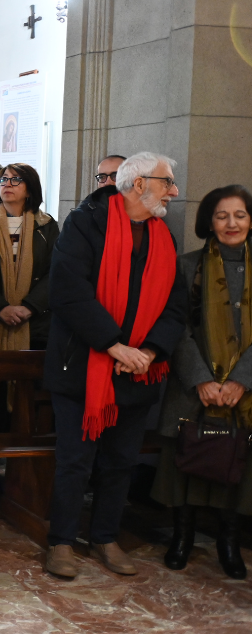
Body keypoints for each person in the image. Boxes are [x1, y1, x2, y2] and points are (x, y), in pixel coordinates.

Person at [42, 151, 187, 580]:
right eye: (167, 182)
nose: (174, 191)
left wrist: (151, 353)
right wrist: (115, 346)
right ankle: (62, 542)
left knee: (121, 461)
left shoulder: (162, 234)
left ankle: (105, 536)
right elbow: (69, 294)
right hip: (84, 365)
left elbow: (176, 306)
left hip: (138, 369)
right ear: (138, 184)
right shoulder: (85, 223)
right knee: (75, 461)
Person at [151, 183, 252, 580]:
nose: (231, 223)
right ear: (208, 221)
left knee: (238, 462)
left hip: (244, 392)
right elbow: (175, 326)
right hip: (193, 384)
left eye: (240, 215)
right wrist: (200, 379)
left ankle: (229, 541)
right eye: (221, 215)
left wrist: (242, 380)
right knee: (184, 463)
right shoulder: (186, 265)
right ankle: (182, 537)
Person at [0, 163, 59, 495]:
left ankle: (23, 472)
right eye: (3, 180)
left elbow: (57, 272)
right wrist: (1, 307)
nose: (7, 185)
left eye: (16, 180)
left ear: (31, 188)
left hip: (34, 324)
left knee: (29, 402)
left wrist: (28, 307)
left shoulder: (46, 227)